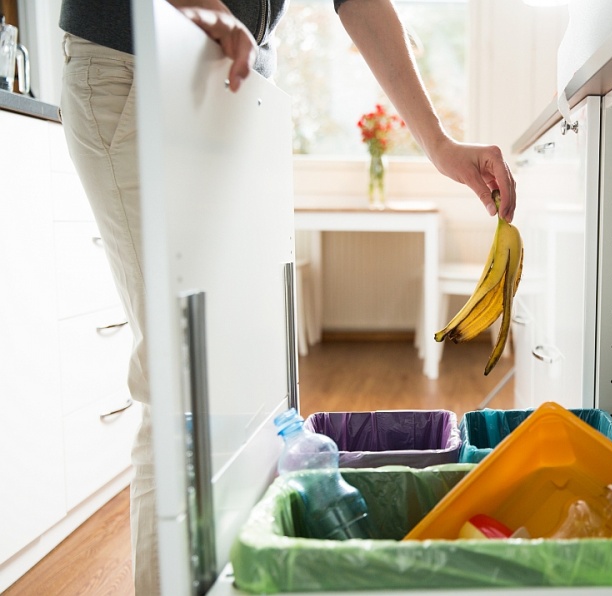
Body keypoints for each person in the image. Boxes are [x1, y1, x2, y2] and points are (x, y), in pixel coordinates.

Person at [58, 0, 517, 593]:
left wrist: (439, 145)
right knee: (182, 390)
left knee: (243, 381)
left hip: (234, 82)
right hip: (139, 58)